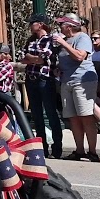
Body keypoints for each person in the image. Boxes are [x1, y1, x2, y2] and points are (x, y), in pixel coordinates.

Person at [53, 13, 98, 162]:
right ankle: (79, 150)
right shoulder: (65, 40)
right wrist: (58, 68)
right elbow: (65, 59)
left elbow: (80, 56)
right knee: (73, 118)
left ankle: (93, 152)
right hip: (67, 81)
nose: (60, 27)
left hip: (82, 81)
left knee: (86, 116)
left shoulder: (82, 38)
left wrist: (63, 43)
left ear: (69, 26)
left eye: (62, 24)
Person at [22, 13, 62, 159]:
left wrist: (31, 58)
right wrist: (32, 58)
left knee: (51, 113)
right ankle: (42, 148)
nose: (30, 26)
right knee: (36, 115)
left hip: (45, 79)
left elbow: (42, 59)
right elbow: (22, 58)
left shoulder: (50, 39)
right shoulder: (31, 40)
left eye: (32, 23)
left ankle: (57, 148)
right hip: (31, 79)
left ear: (40, 24)